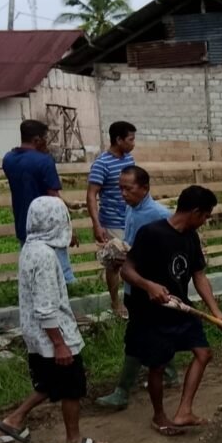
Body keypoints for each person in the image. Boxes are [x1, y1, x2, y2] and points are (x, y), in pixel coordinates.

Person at [0, 197, 107, 443]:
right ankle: (73, 441)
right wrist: (60, 343)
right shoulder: (45, 256)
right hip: (55, 334)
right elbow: (45, 305)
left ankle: (15, 419)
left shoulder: (30, 248)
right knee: (72, 388)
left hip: (37, 333)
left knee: (50, 382)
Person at [121, 185, 222, 436]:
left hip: (181, 308)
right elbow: (126, 270)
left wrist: (215, 311)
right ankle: (159, 417)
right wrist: (148, 285)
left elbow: (199, 275)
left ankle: (184, 412)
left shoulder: (190, 237)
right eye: (205, 216)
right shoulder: (151, 233)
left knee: (203, 354)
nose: (205, 221)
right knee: (158, 366)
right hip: (151, 314)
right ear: (194, 211)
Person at [96, 166, 175, 409]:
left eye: (127, 189)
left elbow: (170, 251)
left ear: (144, 188)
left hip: (148, 287)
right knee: (154, 333)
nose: (122, 194)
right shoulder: (132, 209)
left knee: (136, 338)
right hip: (133, 284)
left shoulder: (159, 215)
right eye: (120, 188)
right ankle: (170, 374)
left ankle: (122, 391)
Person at [2, 119, 77, 285]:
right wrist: (68, 228)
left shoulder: (8, 159)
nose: (47, 142)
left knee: (30, 265)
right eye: (45, 138)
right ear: (37, 140)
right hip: (48, 225)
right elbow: (53, 196)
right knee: (61, 269)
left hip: (24, 221)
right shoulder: (44, 161)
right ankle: (70, 297)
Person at [88, 121, 137, 318]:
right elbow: (92, 195)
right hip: (112, 221)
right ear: (118, 140)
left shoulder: (129, 159)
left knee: (133, 261)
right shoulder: (102, 163)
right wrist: (97, 224)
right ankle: (116, 303)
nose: (133, 143)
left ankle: (133, 300)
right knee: (115, 263)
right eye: (130, 139)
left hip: (130, 218)